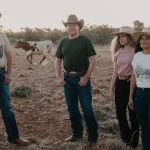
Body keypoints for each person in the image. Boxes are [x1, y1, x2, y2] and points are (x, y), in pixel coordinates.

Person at [55, 14, 98, 149]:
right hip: (68, 79)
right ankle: (77, 134)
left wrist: (85, 77)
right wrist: (58, 77)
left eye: (74, 24)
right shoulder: (63, 41)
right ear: (66, 27)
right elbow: (58, 60)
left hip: (82, 79)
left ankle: (93, 139)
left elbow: (93, 59)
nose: (71, 27)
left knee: (87, 109)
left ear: (79, 27)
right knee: (72, 109)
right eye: (69, 25)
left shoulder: (85, 40)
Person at [0, 13, 30, 146]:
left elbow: (9, 56)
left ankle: (14, 137)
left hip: (1, 74)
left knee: (7, 108)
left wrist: (9, 73)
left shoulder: (2, 36)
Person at [110, 26, 139, 148]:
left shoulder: (135, 52)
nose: (121, 39)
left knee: (133, 114)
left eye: (123, 36)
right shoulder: (117, 53)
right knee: (120, 113)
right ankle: (125, 137)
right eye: (119, 37)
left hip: (132, 83)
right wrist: (111, 89)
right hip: (120, 84)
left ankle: (134, 140)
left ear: (129, 37)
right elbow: (115, 72)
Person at [129, 27, 150, 150]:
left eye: (147, 38)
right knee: (144, 128)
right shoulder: (137, 56)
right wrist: (131, 96)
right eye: (142, 38)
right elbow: (133, 77)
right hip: (139, 95)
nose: (143, 40)